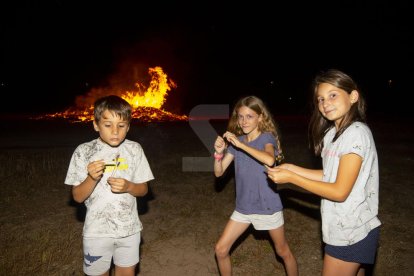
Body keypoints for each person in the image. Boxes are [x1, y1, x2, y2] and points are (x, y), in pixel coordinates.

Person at [266, 69, 381, 276]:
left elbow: (339, 191)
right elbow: (330, 175)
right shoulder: (332, 134)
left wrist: (293, 178)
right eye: (320, 99)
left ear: (353, 96)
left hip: (352, 230)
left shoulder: (356, 134)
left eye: (333, 95)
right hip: (341, 226)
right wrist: (292, 168)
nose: (325, 103)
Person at [64, 95, 154, 276]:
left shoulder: (134, 150)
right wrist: (91, 178)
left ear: (128, 127)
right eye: (108, 125)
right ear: (96, 125)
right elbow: (77, 196)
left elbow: (143, 189)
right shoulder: (83, 152)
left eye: (121, 126)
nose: (115, 131)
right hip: (96, 232)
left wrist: (129, 186)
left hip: (129, 230)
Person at [213, 95, 298, 276]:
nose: (243, 121)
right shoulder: (238, 142)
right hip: (244, 207)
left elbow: (269, 158)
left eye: (249, 116)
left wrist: (240, 145)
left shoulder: (267, 137)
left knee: (283, 252)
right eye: (240, 116)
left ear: (260, 117)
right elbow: (218, 173)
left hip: (267, 206)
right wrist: (219, 154)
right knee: (220, 250)